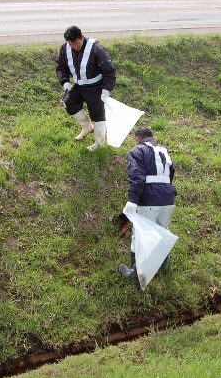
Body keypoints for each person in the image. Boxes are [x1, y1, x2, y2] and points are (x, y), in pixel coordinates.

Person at [118, 126, 177, 285]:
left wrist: (132, 201)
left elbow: (137, 178)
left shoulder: (137, 151)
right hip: (168, 198)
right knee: (162, 231)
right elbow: (171, 174)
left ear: (137, 138)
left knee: (140, 236)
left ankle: (136, 274)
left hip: (149, 199)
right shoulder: (164, 151)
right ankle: (163, 264)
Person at [55, 26, 116, 151]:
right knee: (69, 102)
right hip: (78, 85)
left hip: (96, 87)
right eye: (71, 45)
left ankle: (99, 143)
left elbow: (109, 71)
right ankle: (87, 126)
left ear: (81, 37)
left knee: (97, 115)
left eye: (77, 44)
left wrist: (106, 89)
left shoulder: (96, 48)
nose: (75, 47)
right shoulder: (65, 48)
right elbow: (60, 67)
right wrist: (64, 80)